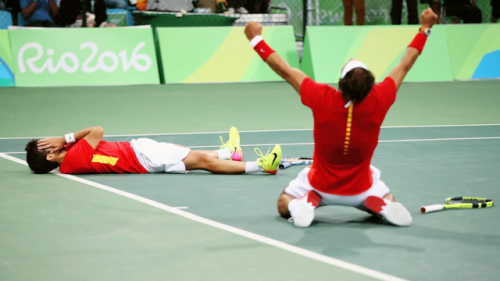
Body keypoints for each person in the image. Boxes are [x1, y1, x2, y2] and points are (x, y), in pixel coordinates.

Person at [244, 8, 438, 227]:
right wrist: (425, 28)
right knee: (386, 195)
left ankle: (299, 206)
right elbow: (405, 64)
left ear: (341, 82)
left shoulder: (321, 97)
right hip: (361, 189)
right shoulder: (380, 98)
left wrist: (255, 39)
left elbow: (285, 70)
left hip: (319, 186)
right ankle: (383, 206)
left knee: (283, 202)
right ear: (369, 85)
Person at [25, 126, 283, 176]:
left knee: (186, 152)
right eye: (46, 144)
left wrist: (63, 141)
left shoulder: (70, 160)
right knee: (203, 161)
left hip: (139, 152)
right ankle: (262, 166)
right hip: (142, 157)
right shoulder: (73, 156)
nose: (51, 140)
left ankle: (230, 153)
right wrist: (63, 137)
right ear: (50, 155)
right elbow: (97, 130)